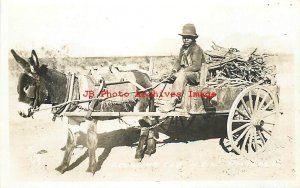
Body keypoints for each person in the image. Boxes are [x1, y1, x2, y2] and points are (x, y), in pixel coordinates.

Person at [160, 23, 206, 112]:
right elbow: (178, 61)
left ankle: (174, 100)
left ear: (193, 38)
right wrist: (174, 70)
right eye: (184, 37)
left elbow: (196, 66)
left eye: (188, 37)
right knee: (170, 76)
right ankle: (166, 98)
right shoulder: (183, 48)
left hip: (197, 75)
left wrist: (182, 71)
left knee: (182, 75)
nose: (185, 40)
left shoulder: (196, 49)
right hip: (188, 73)